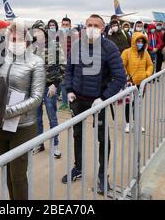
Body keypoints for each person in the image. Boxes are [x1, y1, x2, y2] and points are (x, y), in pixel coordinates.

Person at [62, 14, 126, 194]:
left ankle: (102, 174)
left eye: (95, 25)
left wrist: (104, 98)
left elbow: (120, 77)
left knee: (103, 139)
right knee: (77, 135)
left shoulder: (109, 47)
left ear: (103, 28)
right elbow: (69, 70)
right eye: (88, 24)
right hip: (78, 100)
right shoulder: (77, 46)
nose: (91, 27)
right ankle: (79, 168)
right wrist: (69, 90)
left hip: (98, 101)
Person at [0, 20, 46, 200]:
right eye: (12, 38)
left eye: (20, 38)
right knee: (7, 171)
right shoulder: (0, 58)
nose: (15, 41)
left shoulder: (36, 62)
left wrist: (8, 112)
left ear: (28, 39)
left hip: (23, 126)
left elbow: (37, 98)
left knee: (18, 175)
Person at [33, 19, 66, 158]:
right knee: (37, 117)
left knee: (52, 117)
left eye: (38, 31)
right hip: (36, 88)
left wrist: (56, 85)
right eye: (34, 31)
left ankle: (55, 145)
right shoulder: (33, 47)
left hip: (50, 87)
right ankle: (39, 143)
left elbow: (63, 66)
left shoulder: (55, 46)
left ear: (44, 31)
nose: (36, 34)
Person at [122, 32, 153, 133]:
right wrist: (126, 76)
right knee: (128, 103)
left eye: (141, 42)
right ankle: (128, 123)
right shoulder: (127, 52)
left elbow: (150, 65)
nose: (140, 43)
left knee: (138, 104)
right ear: (133, 41)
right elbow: (122, 65)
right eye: (138, 41)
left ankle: (137, 123)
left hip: (141, 83)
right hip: (130, 83)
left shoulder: (145, 53)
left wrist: (147, 74)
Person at [58, 17, 75, 111]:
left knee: (71, 83)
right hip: (61, 63)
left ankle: (71, 103)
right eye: (63, 24)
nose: (65, 26)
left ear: (70, 26)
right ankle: (65, 103)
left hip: (72, 62)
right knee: (63, 84)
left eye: (66, 25)